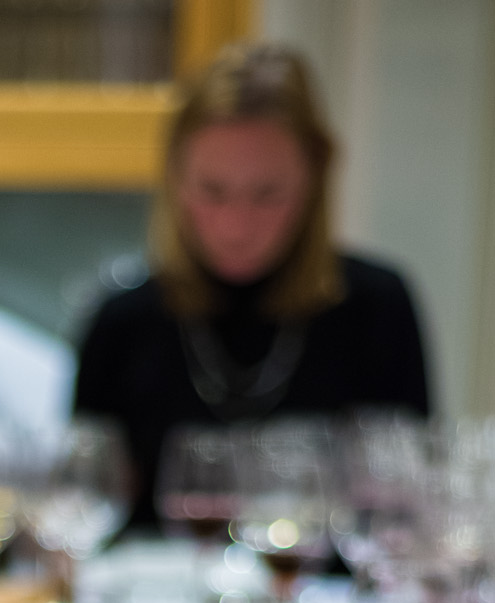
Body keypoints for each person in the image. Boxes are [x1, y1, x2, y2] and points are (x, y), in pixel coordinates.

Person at [74, 43, 431, 527]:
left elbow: (404, 515)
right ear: (175, 178)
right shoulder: (122, 323)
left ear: (315, 178)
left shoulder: (377, 308)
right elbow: (81, 505)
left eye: (267, 195)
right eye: (212, 191)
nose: (235, 227)